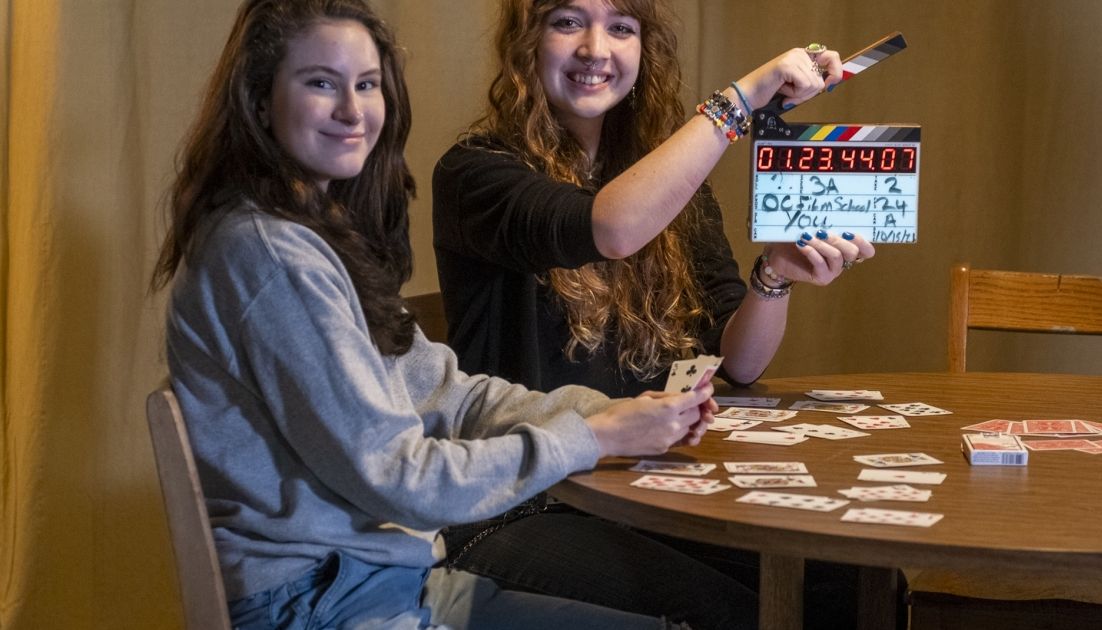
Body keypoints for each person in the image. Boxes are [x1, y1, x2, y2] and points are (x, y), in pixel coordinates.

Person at [150, 0, 717, 628]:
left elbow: (447, 394)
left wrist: (604, 414)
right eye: (321, 84)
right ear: (260, 100)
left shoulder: (318, 235)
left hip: (382, 579)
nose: (352, 111)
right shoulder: (270, 254)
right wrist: (596, 438)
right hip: (317, 602)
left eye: (367, 84)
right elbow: (401, 477)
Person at [432, 0, 885, 628]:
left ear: (645, 51)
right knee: (731, 612)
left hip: (644, 486)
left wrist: (775, 274)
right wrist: (743, 99)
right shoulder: (473, 173)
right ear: (527, 41)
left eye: (621, 27)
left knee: (853, 581)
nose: (596, 48)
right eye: (568, 22)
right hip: (522, 502)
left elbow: (739, 364)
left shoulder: (674, 184)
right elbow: (612, 229)